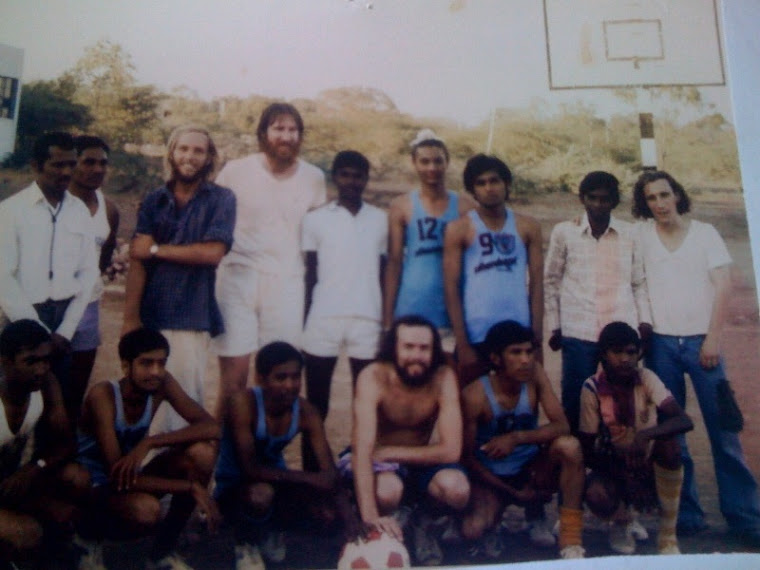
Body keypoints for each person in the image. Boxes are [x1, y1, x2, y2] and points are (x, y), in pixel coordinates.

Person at [633, 170, 760, 542]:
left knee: (724, 431)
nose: (659, 204)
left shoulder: (705, 234)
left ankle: (744, 516)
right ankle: (686, 515)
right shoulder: (641, 236)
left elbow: (723, 287)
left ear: (677, 195)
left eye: (664, 195)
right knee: (674, 434)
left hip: (702, 344)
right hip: (660, 347)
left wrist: (713, 339)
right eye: (651, 198)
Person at [213, 103, 326, 414]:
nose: (286, 136)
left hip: (287, 284)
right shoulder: (236, 170)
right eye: (279, 128)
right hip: (236, 279)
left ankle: (264, 455)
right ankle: (222, 457)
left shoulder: (314, 178)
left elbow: (315, 240)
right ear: (263, 133)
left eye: (293, 130)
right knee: (234, 381)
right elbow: (212, 217)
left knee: (279, 380)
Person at [76, 328, 221, 570]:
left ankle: (161, 555)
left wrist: (151, 442)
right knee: (146, 511)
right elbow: (117, 476)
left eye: (161, 363)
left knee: (202, 453)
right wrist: (190, 486)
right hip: (94, 485)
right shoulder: (103, 395)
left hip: (130, 476)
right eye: (146, 363)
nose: (155, 371)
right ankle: (86, 540)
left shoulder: (161, 384)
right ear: (125, 365)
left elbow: (212, 428)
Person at [122, 125, 236, 432]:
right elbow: (137, 259)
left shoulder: (221, 200)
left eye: (199, 150)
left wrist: (156, 249)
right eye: (183, 148)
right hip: (150, 315)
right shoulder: (154, 200)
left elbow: (212, 253)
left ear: (209, 157)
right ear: (171, 153)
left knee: (183, 403)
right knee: (145, 404)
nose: (190, 156)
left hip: (191, 315)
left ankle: (183, 475)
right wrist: (130, 320)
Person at [215, 341, 355, 570]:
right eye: (280, 378)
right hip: (235, 487)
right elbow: (249, 470)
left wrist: (349, 518)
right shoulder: (243, 403)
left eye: (295, 377)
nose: (290, 385)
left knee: (327, 513)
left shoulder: (306, 411)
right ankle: (245, 543)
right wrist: (310, 479)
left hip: (277, 481)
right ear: (261, 379)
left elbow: (328, 471)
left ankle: (271, 530)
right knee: (260, 495)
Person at [348, 315, 470, 566]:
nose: (416, 355)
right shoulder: (373, 377)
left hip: (414, 459)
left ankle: (424, 523)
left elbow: (451, 451)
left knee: (457, 489)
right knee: (388, 491)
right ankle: (383, 533)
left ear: (434, 349)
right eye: (408, 347)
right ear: (393, 348)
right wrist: (370, 517)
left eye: (424, 348)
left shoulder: (443, 376)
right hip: (381, 470)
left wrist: (390, 451)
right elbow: (362, 452)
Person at [460, 320, 585, 560]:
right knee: (472, 529)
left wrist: (516, 438)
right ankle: (496, 521)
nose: (526, 359)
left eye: (529, 351)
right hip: (491, 476)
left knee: (569, 446)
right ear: (496, 359)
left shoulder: (534, 374)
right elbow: (467, 459)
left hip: (530, 468)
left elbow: (562, 425)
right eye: (516, 353)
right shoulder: (476, 395)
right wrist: (511, 492)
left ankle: (569, 540)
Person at [544, 171, 652, 434]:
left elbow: (638, 283)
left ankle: (618, 461)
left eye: (605, 199)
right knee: (575, 399)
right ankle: (575, 462)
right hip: (578, 330)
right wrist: (555, 326)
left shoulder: (630, 234)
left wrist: (644, 324)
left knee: (620, 401)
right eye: (592, 198)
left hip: (620, 329)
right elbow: (551, 280)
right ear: (582, 198)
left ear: (614, 201)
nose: (598, 205)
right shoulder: (565, 232)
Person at [0, 132, 98, 414]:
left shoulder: (79, 211)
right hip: (23, 317)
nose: (66, 172)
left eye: (71, 164)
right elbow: (3, 277)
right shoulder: (11, 211)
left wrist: (65, 331)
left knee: (57, 403)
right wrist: (40, 333)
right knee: (16, 401)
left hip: (64, 321)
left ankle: (47, 458)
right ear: (36, 166)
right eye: (57, 165)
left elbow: (88, 273)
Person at [579, 321, 693, 555]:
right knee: (596, 493)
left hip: (646, 463)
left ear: (639, 353)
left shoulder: (646, 378)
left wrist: (645, 435)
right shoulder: (591, 388)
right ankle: (621, 521)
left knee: (669, 446)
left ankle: (667, 538)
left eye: (631, 352)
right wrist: (626, 476)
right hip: (612, 465)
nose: (625, 359)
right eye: (617, 352)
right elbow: (587, 451)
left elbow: (684, 420)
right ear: (603, 355)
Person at [301, 150, 387, 432]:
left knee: (366, 402)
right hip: (323, 317)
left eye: (358, 176)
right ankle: (314, 471)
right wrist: (303, 320)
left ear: (366, 180)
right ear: (335, 177)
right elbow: (310, 275)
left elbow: (386, 273)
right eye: (345, 174)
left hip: (367, 318)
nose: (351, 181)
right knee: (316, 403)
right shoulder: (314, 219)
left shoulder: (381, 220)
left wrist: (387, 323)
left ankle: (359, 470)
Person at [443, 154, 543, 385]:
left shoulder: (528, 226)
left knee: (522, 407)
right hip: (477, 334)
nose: (489, 188)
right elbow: (451, 288)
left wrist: (536, 340)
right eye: (481, 183)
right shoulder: (459, 229)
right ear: (472, 190)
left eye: (494, 181)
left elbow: (537, 285)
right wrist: (463, 342)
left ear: (506, 184)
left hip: (518, 334)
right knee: (473, 410)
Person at [0, 320, 90, 567]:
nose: (41, 369)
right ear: (4, 361)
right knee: (27, 533)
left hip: (10, 482)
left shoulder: (46, 384)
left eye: (45, 360)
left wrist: (35, 467)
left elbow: (67, 444)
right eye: (31, 361)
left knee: (74, 488)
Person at [383, 130, 474, 351]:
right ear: (414, 163)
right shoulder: (401, 206)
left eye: (437, 161)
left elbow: (473, 263)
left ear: (447, 162)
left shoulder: (465, 206)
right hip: (411, 305)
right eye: (424, 161)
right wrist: (387, 319)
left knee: (450, 379)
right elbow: (394, 263)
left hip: (450, 310)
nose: (431, 168)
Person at [67, 135, 120, 423]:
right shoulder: (55, 203)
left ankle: (55, 461)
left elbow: (103, 259)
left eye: (103, 163)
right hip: (48, 305)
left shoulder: (109, 209)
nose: (97, 169)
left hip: (87, 309)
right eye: (88, 161)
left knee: (73, 393)